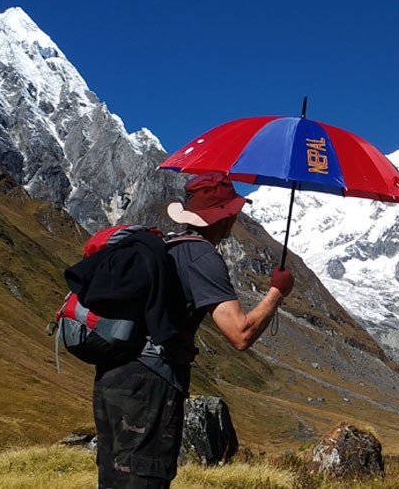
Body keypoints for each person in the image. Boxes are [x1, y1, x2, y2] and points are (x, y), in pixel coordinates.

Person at [92, 171, 294, 488]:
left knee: (114, 478)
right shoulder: (201, 255)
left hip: (112, 375)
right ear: (225, 216)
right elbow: (240, 334)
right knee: (146, 478)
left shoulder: (167, 245)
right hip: (150, 383)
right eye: (234, 211)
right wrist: (276, 293)